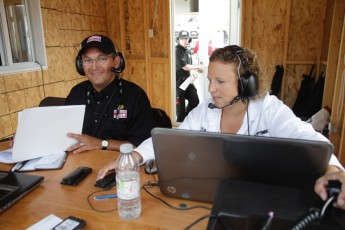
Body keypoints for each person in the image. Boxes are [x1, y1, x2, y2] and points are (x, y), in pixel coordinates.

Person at [98, 45, 345, 210]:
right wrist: (133, 157)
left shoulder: (269, 108)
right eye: (210, 81)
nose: (211, 89)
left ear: (247, 84)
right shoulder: (206, 108)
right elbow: (172, 138)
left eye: (220, 81)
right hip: (212, 200)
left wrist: (334, 169)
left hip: (261, 204)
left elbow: (310, 139)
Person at [65, 34, 153, 153]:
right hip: (80, 162)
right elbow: (64, 135)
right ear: (80, 65)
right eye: (87, 60)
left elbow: (142, 145)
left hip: (121, 165)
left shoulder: (135, 95)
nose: (94, 67)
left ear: (116, 62)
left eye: (101, 59)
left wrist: (102, 144)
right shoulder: (76, 93)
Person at [175, 30, 203, 122]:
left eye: (187, 38)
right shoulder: (176, 51)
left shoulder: (187, 51)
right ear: (179, 39)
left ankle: (187, 118)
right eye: (183, 39)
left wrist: (195, 69)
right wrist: (198, 66)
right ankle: (180, 129)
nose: (185, 40)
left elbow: (188, 66)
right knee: (180, 110)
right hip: (179, 83)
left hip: (187, 81)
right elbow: (185, 67)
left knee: (195, 101)